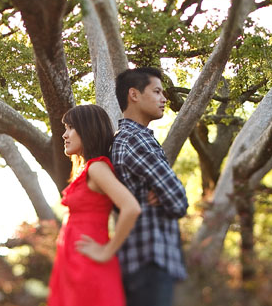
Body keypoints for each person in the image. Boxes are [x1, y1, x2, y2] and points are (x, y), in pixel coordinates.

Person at [47, 104, 142, 306]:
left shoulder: (97, 167)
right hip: (72, 264)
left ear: (88, 130)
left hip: (88, 266)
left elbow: (131, 208)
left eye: (71, 128)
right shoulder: (84, 170)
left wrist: (107, 251)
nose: (65, 135)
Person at [110, 67, 189, 306]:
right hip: (149, 261)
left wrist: (163, 192)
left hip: (142, 262)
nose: (164, 99)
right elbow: (177, 200)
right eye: (156, 91)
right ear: (134, 94)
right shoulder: (135, 139)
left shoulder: (126, 139)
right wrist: (167, 194)